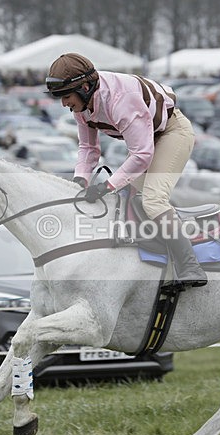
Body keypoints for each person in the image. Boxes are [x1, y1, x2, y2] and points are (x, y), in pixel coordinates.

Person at [44, 53, 206, 289]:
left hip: (173, 133)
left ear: (85, 87)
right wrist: (80, 181)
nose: (64, 104)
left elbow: (142, 154)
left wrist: (107, 185)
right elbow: (88, 148)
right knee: (128, 201)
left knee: (152, 201)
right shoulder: (83, 105)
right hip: (148, 138)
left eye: (66, 97)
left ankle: (190, 265)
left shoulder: (121, 101)